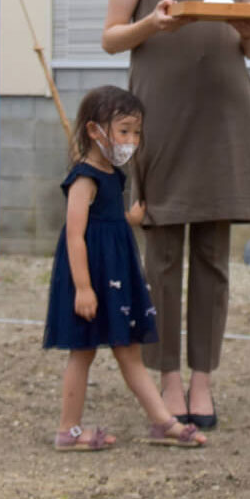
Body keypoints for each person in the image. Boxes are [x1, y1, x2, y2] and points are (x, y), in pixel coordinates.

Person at [100, 0, 250, 431]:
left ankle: (203, 377)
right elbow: (112, 36)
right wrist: (154, 21)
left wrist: (248, 31)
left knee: (213, 256)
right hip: (161, 111)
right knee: (162, 251)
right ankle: (166, 374)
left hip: (222, 111)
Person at [44, 86, 206, 449]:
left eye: (136, 132)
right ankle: (68, 431)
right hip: (90, 277)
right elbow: (75, 235)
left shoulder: (113, 174)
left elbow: (106, 223)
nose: (131, 140)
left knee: (129, 348)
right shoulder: (83, 178)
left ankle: (162, 421)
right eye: (123, 131)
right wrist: (83, 288)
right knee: (82, 351)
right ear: (94, 131)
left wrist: (128, 219)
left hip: (117, 273)